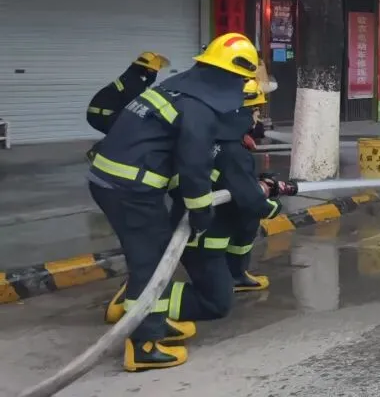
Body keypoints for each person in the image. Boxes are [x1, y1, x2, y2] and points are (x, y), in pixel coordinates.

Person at [88, 32, 258, 372]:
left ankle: (154, 317)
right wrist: (200, 210)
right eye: (241, 80)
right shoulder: (199, 107)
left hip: (114, 181)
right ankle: (144, 345)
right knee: (150, 262)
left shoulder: (178, 89)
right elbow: (193, 163)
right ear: (229, 76)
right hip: (129, 189)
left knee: (152, 254)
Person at [104, 80, 297, 325]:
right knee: (216, 303)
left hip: (199, 227)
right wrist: (273, 205)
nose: (257, 119)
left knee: (244, 231)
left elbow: (226, 182)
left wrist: (254, 186)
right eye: (255, 112)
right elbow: (253, 204)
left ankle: (235, 276)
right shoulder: (233, 153)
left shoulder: (207, 140)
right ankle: (138, 298)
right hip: (204, 238)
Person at [86, 52, 170, 160]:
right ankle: (97, 152)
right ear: (148, 70)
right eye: (154, 71)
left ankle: (108, 151)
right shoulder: (133, 82)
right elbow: (137, 105)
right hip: (101, 115)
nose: (154, 74)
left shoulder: (131, 77)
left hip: (99, 113)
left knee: (128, 127)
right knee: (130, 129)